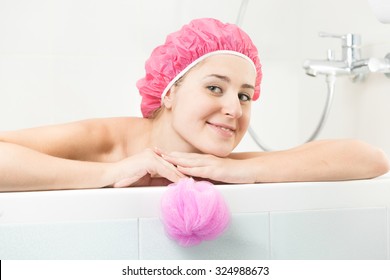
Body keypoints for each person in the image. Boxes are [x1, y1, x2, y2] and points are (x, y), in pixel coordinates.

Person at [0, 18, 389, 192]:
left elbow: (370, 158)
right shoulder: (104, 140)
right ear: (168, 92)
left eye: (244, 95)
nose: (235, 110)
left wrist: (247, 173)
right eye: (215, 88)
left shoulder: (215, 164)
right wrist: (109, 173)